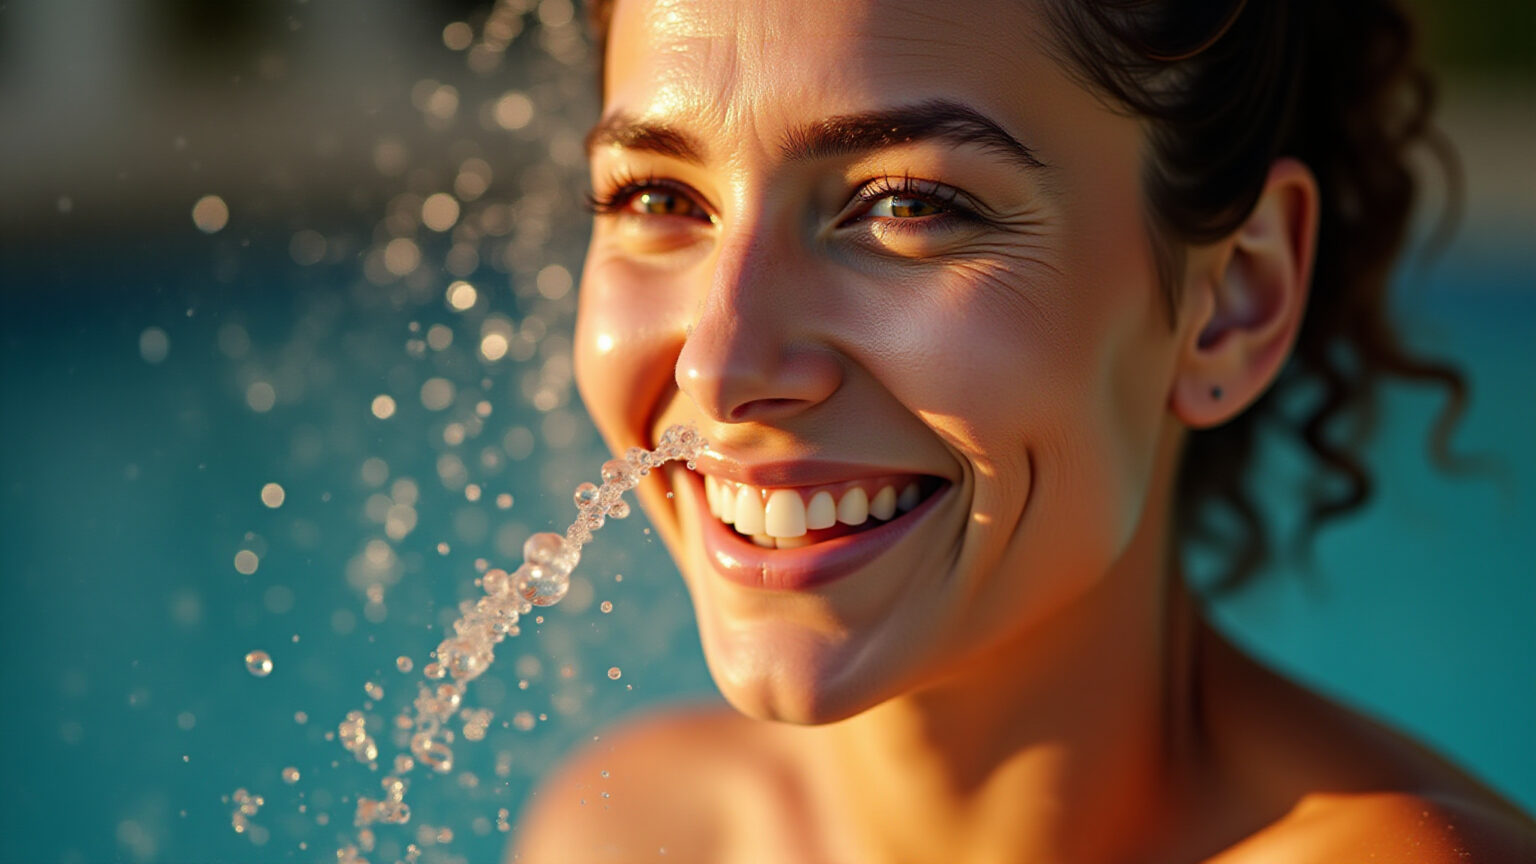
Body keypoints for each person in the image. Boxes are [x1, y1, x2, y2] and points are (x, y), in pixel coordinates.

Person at [514, 0, 1535, 859]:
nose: (721, 367)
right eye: (658, 196)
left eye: (907, 204)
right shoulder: (630, 829)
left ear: (1235, 302)